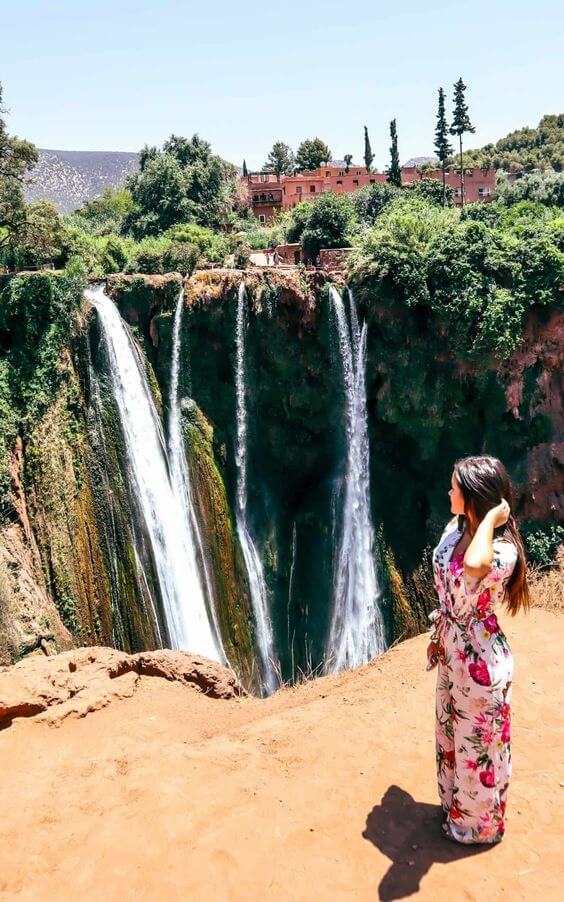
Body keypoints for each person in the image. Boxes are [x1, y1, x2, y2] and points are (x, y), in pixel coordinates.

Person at [427, 455, 530, 844]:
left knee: (478, 743)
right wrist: (438, 634)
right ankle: (455, 805)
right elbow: (448, 587)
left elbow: (473, 568)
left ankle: (477, 827)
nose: (448, 491)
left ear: (473, 496)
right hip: (452, 654)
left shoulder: (502, 551)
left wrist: (489, 519)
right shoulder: (453, 533)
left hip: (481, 662)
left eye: (455, 487)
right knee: (451, 734)